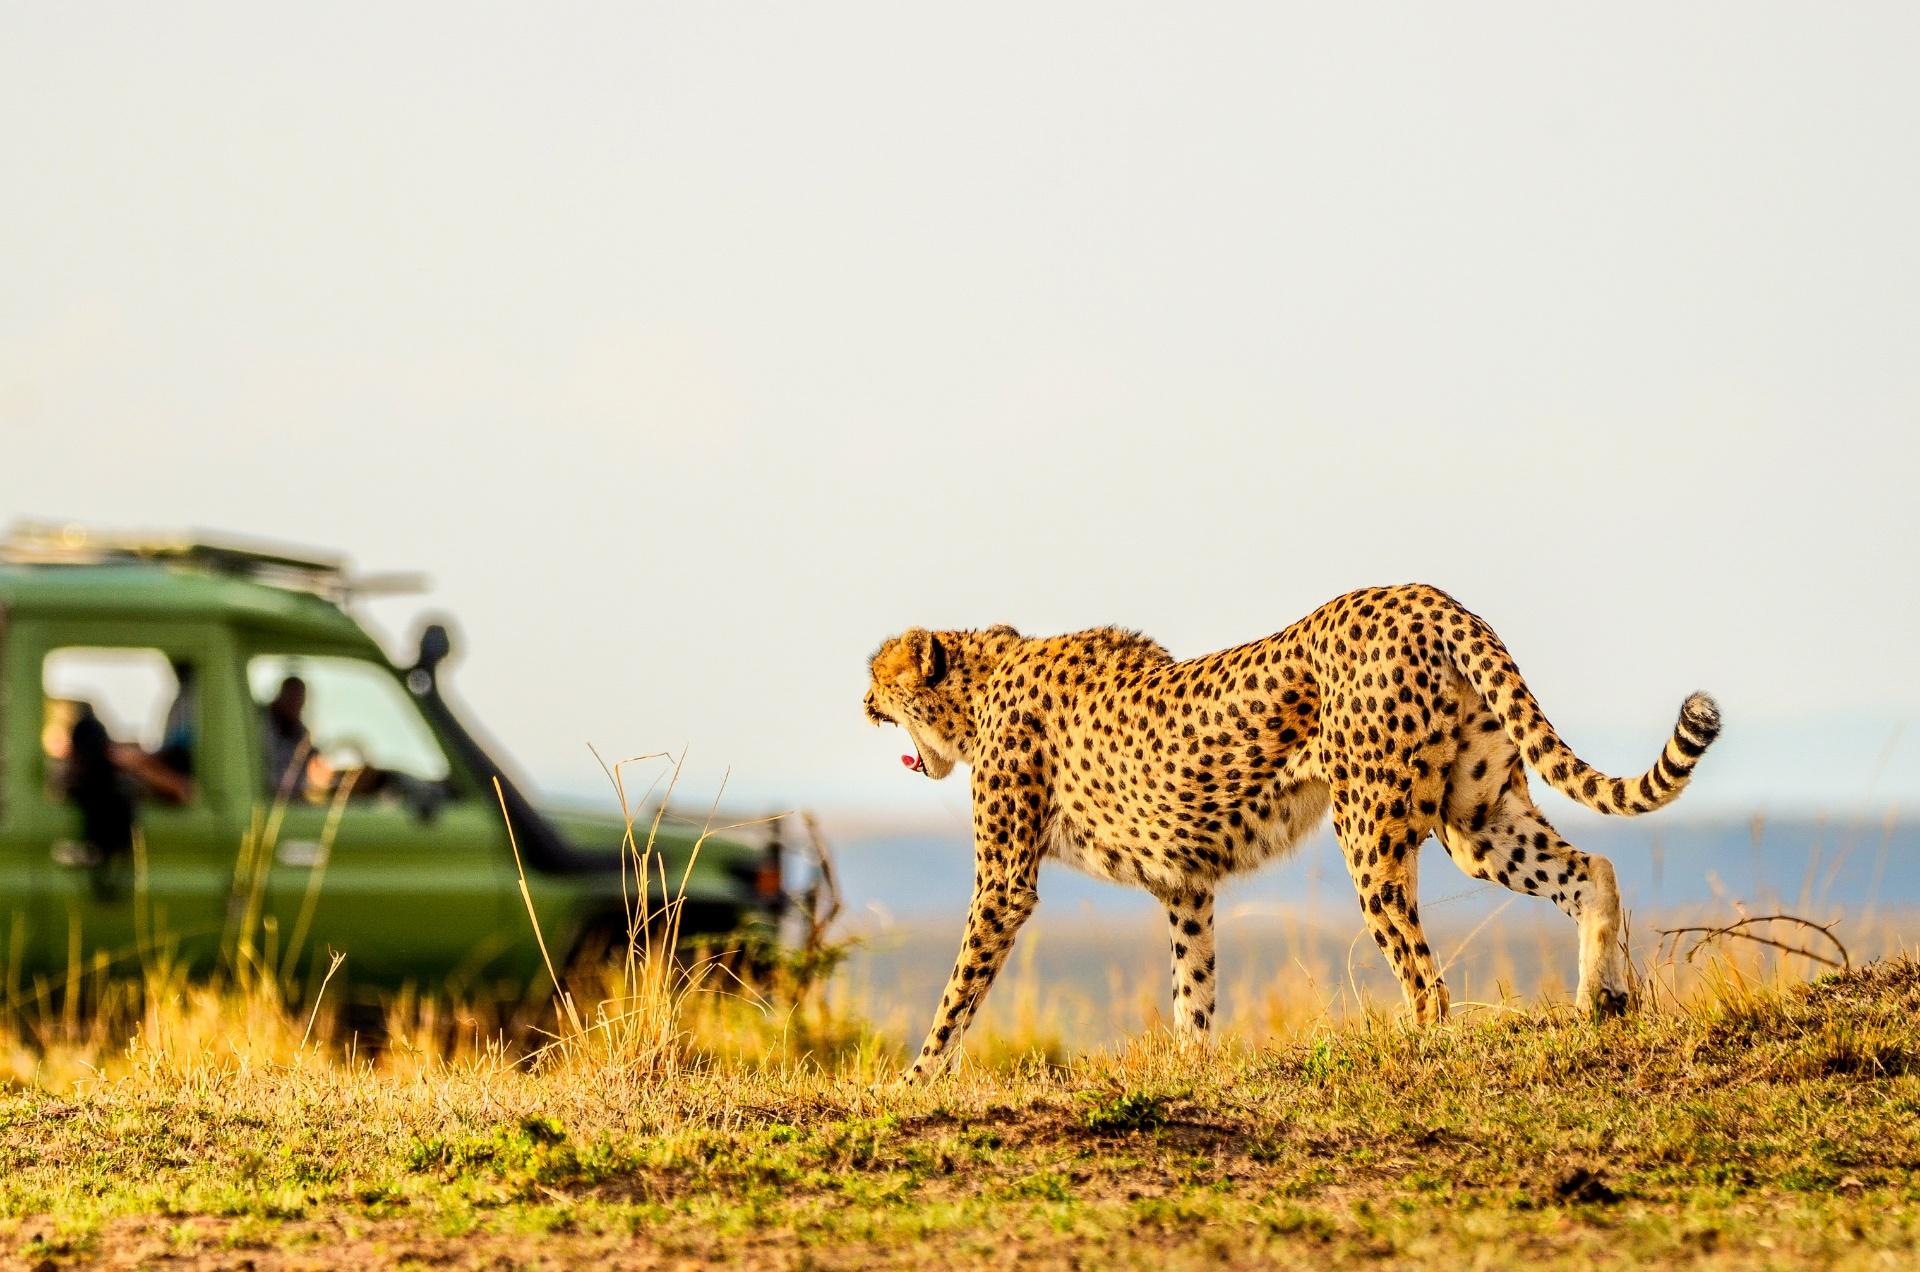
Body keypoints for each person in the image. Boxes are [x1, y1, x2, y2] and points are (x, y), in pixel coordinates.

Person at [263, 675, 312, 799]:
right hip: (267, 798)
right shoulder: (262, 726)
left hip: (292, 801)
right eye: (291, 698)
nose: (296, 704)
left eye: (299, 699)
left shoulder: (301, 732)